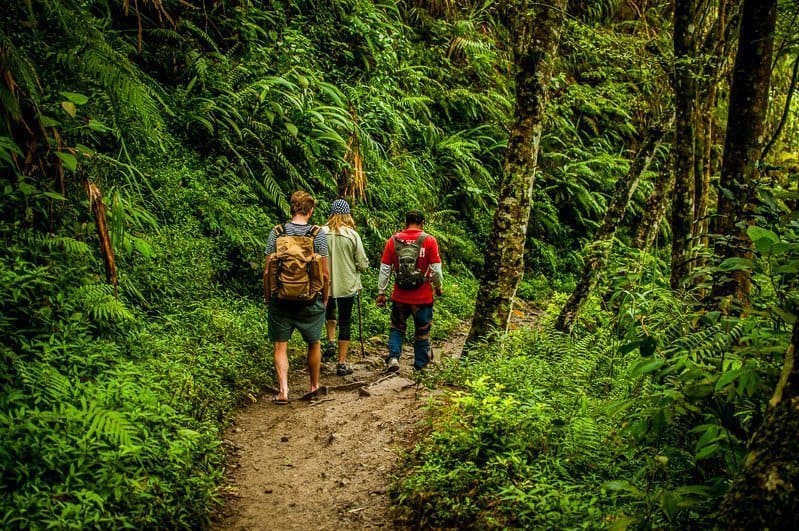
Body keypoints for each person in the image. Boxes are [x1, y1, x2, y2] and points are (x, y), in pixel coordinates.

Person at [263, 190, 329, 403]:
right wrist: (325, 297)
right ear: (310, 211)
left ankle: (283, 391)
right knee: (314, 342)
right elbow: (324, 273)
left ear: (291, 208)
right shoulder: (317, 234)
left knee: (280, 345)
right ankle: (313, 385)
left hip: (280, 299)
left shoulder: (277, 232)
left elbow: (267, 270)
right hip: (310, 299)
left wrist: (268, 297)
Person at [376, 209, 443, 372]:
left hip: (400, 295)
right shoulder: (429, 241)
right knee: (422, 331)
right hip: (423, 297)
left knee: (397, 327)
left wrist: (381, 292)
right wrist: (438, 287)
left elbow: (385, 269)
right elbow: (436, 269)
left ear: (406, 222)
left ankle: (393, 358)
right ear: (422, 223)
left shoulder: (393, 241)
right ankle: (420, 366)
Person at [322, 199, 369, 376]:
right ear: (347, 214)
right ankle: (341, 363)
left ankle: (331, 340)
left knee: (328, 312)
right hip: (347, 284)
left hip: (325, 283)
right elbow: (362, 263)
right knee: (346, 320)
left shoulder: (320, 232)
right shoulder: (352, 235)